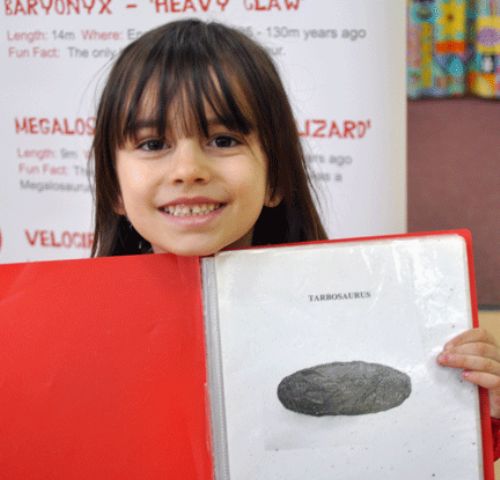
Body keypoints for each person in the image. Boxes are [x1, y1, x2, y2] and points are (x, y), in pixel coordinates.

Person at [90, 19, 500, 458]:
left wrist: (484, 408)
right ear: (115, 187)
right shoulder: (83, 333)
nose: (188, 170)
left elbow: (414, 461)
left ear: (275, 178)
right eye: (153, 144)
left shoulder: (357, 314)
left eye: (223, 140)